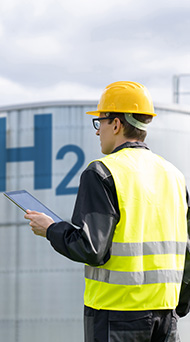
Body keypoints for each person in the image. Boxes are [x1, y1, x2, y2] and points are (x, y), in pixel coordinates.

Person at [24, 81, 190, 342]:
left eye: (99, 122)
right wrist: (180, 305)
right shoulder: (174, 176)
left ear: (116, 124)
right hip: (166, 315)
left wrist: (50, 229)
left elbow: (90, 248)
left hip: (116, 314)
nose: (97, 131)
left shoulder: (102, 172)